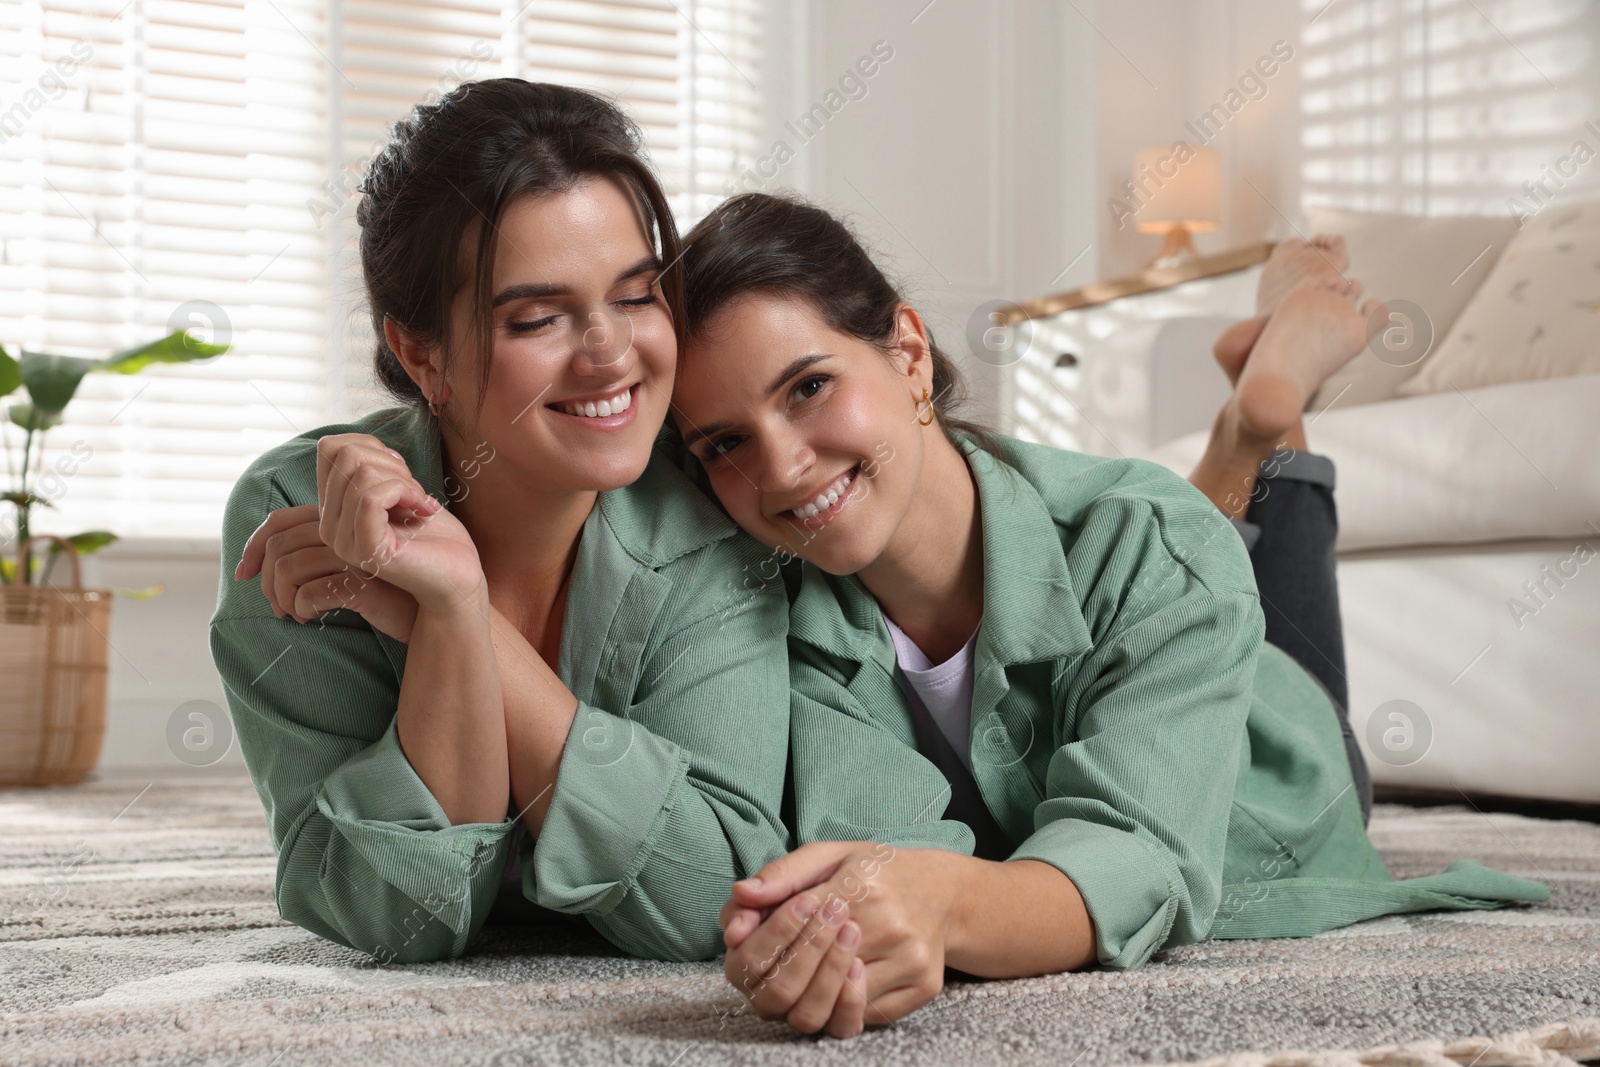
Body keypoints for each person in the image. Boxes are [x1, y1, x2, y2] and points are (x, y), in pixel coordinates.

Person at [668, 196, 1551, 1038]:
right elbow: (884, 851)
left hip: (1274, 758)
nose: (780, 468)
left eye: (810, 387)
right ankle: (1248, 418)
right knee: (1174, 556)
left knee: (1184, 556)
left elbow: (1136, 859)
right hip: (1160, 588)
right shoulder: (779, 617)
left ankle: (1269, 414)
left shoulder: (1148, 540)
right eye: (724, 442)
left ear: (907, 352)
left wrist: (945, 904)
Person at [210, 80, 793, 965]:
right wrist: (448, 613)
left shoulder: (714, 512)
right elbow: (401, 918)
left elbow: (710, 900)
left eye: (636, 296)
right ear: (420, 351)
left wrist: (454, 612)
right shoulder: (299, 511)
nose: (610, 354)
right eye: (538, 317)